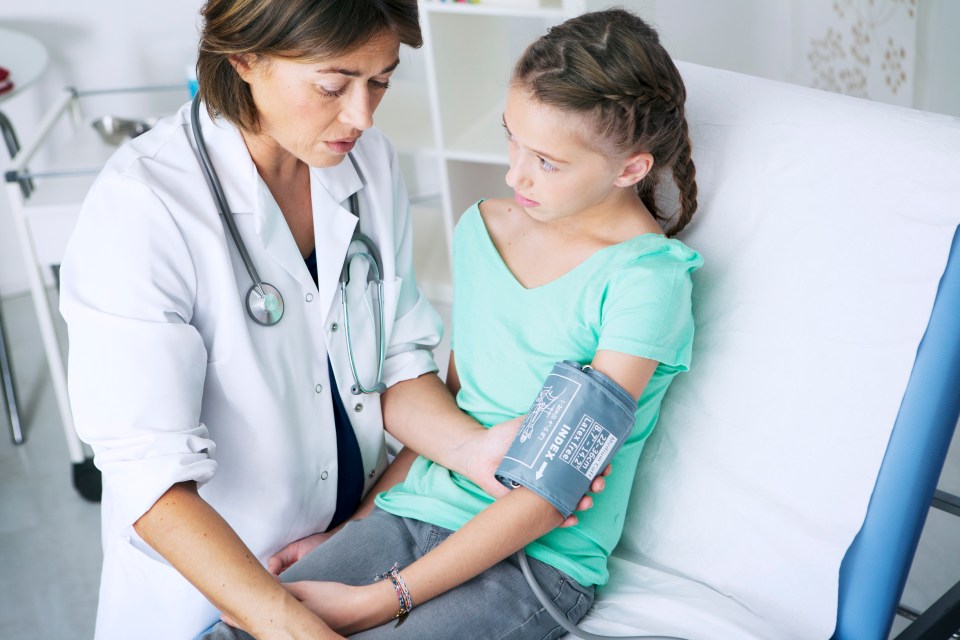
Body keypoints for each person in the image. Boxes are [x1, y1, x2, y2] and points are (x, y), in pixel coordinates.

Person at [203, 8, 703, 639]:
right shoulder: (485, 229)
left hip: (535, 563)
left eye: (547, 161)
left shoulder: (645, 283)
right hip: (409, 513)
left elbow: (549, 497)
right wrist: (352, 531)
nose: (514, 173)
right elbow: (454, 410)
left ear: (630, 168)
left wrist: (378, 601)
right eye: (510, 139)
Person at [59, 2, 537, 638]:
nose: (362, 116)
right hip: (226, 581)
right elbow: (150, 477)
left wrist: (470, 454)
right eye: (333, 85)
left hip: (351, 543)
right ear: (245, 58)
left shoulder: (369, 163)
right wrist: (291, 624)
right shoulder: (142, 208)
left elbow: (398, 361)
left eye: (382, 80)